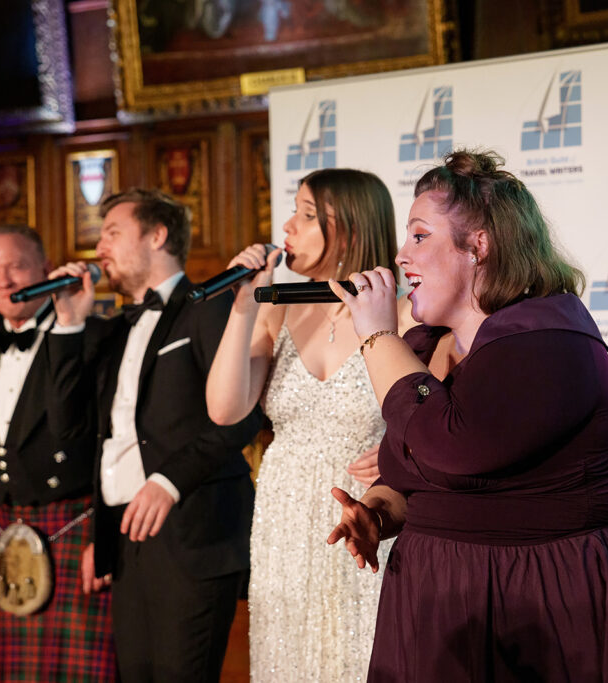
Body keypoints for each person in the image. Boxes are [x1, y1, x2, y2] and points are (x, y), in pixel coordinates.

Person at [325, 149, 608, 682]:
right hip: (439, 595)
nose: (400, 255)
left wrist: (377, 335)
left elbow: (454, 447)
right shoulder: (427, 344)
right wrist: (378, 512)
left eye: (419, 236)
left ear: (478, 245)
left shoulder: (546, 338)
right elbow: (418, 477)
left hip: (545, 600)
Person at [205, 168, 414, 681]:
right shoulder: (277, 311)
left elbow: (433, 417)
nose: (287, 227)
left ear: (349, 227)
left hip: (363, 515)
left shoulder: (405, 315)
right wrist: (244, 304)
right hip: (284, 520)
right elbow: (225, 409)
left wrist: (398, 453)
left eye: (306, 214)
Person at [48, 188, 261, 681]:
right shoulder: (114, 329)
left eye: (112, 233)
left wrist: (169, 481)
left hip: (192, 534)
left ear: (158, 236)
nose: (99, 247)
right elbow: (70, 428)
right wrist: (69, 323)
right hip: (126, 538)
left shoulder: (208, 307)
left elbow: (243, 417)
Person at [0, 225, 116, 681]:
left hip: (72, 526)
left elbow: (106, 442)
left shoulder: (92, 336)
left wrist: (102, 537)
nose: (5, 280)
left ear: (46, 268)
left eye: (17, 266)